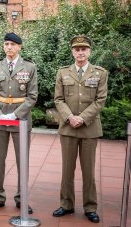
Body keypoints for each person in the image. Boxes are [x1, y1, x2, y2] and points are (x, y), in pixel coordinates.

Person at [52, 35, 108, 224]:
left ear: (89, 51)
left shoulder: (100, 73)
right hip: (68, 127)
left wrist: (82, 118)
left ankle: (90, 207)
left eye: (84, 49)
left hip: (89, 128)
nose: (80, 52)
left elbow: (100, 100)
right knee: (67, 170)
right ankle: (66, 204)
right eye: (77, 49)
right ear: (72, 52)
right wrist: (70, 117)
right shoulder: (63, 72)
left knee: (89, 171)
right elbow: (58, 99)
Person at [0, 32, 38, 214]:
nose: (9, 47)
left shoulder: (30, 67)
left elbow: (32, 97)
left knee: (22, 161)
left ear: (19, 47)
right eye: (6, 44)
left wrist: (15, 115)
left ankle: (21, 198)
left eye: (12, 44)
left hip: (21, 120)